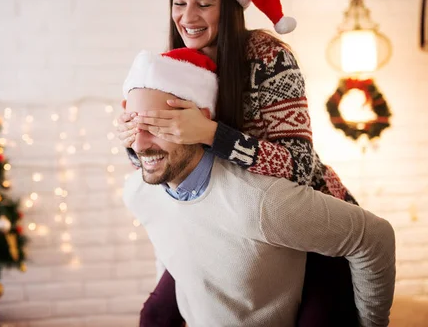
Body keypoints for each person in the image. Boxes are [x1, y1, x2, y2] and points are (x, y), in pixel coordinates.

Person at [116, 0, 362, 326]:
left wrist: (211, 134)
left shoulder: (269, 59)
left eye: (204, 4)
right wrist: (134, 142)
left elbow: (299, 166)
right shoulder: (170, 66)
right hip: (226, 224)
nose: (187, 17)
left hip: (307, 224)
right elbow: (169, 161)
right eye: (179, 3)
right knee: (157, 314)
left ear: (228, 6)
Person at [121, 47, 395, 327]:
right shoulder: (137, 192)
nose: (139, 144)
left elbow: (375, 236)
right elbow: (169, 243)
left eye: (157, 125)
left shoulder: (261, 203)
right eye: (132, 125)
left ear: (198, 119)